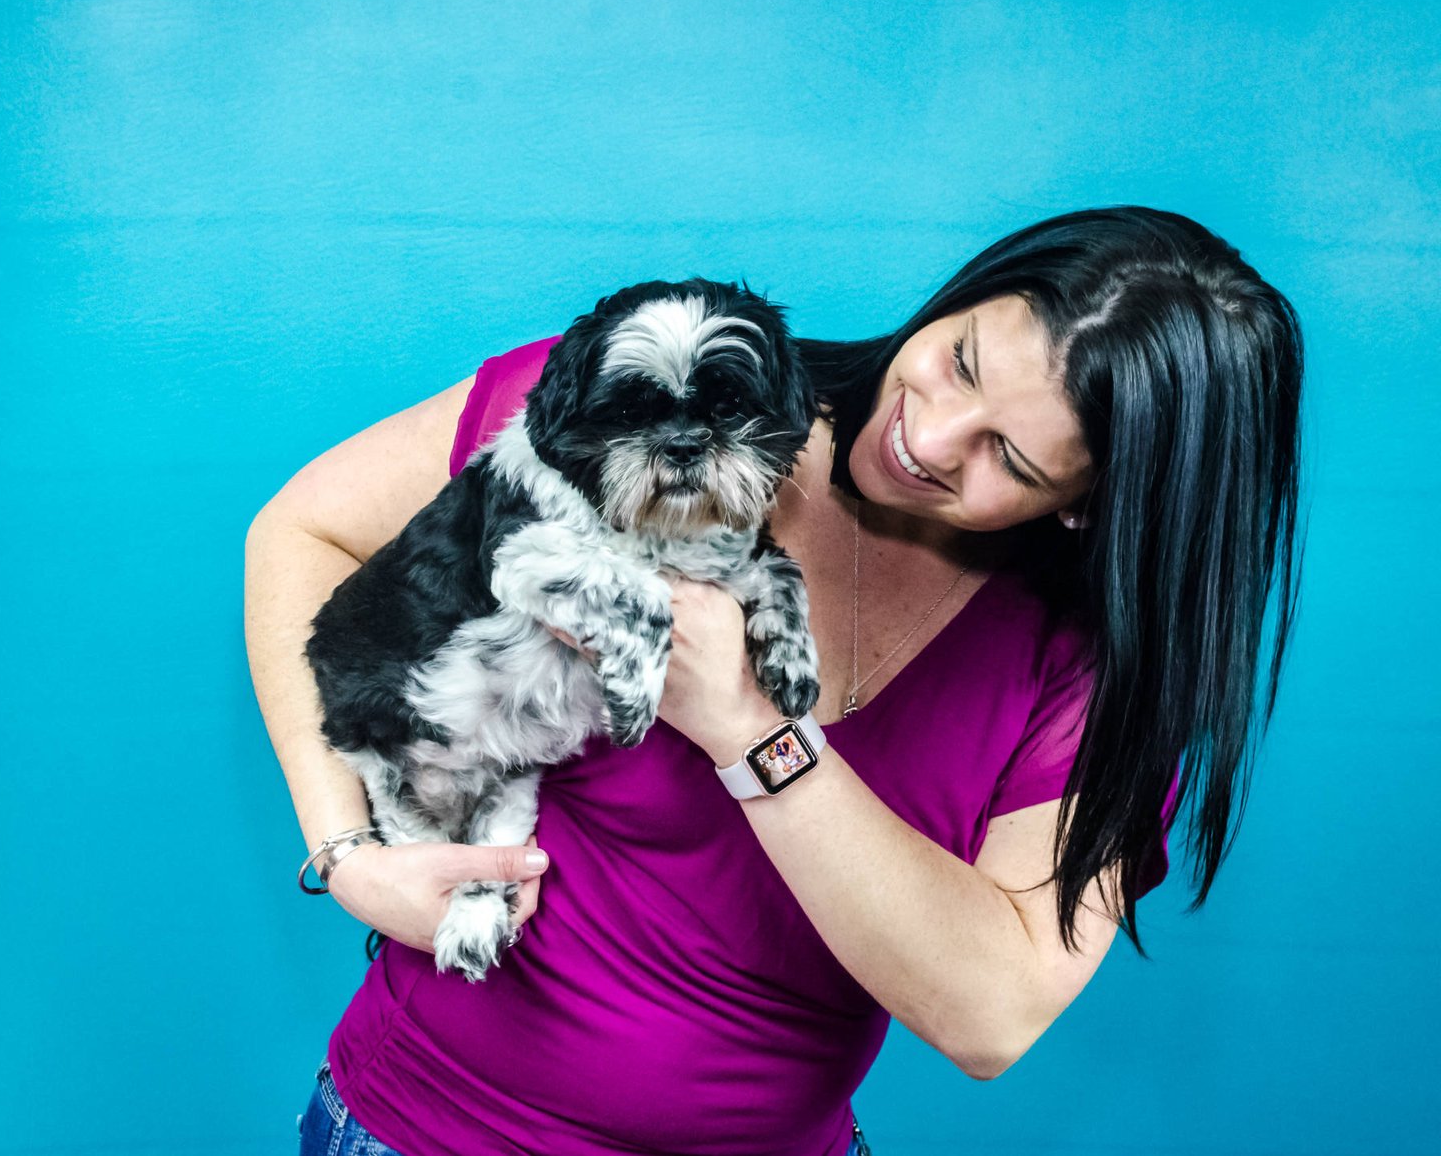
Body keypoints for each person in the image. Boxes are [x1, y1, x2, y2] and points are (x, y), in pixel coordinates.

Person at [244, 206, 1304, 1156]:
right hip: (420, 1127)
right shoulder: (641, 396)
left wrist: (748, 729)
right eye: (961, 361)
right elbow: (304, 531)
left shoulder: (1088, 674)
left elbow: (992, 1012)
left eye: (1010, 458)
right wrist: (350, 854)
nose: (929, 437)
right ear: (962, 296)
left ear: (1088, 502)